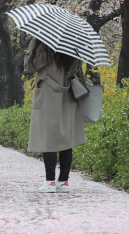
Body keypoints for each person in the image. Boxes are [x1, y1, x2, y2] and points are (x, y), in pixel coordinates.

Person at [24, 38, 86, 193]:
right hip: (68, 94)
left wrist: (34, 42)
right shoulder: (73, 42)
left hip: (48, 94)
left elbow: (30, 66)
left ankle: (50, 181)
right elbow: (77, 66)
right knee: (66, 136)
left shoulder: (44, 42)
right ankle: (63, 181)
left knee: (49, 136)